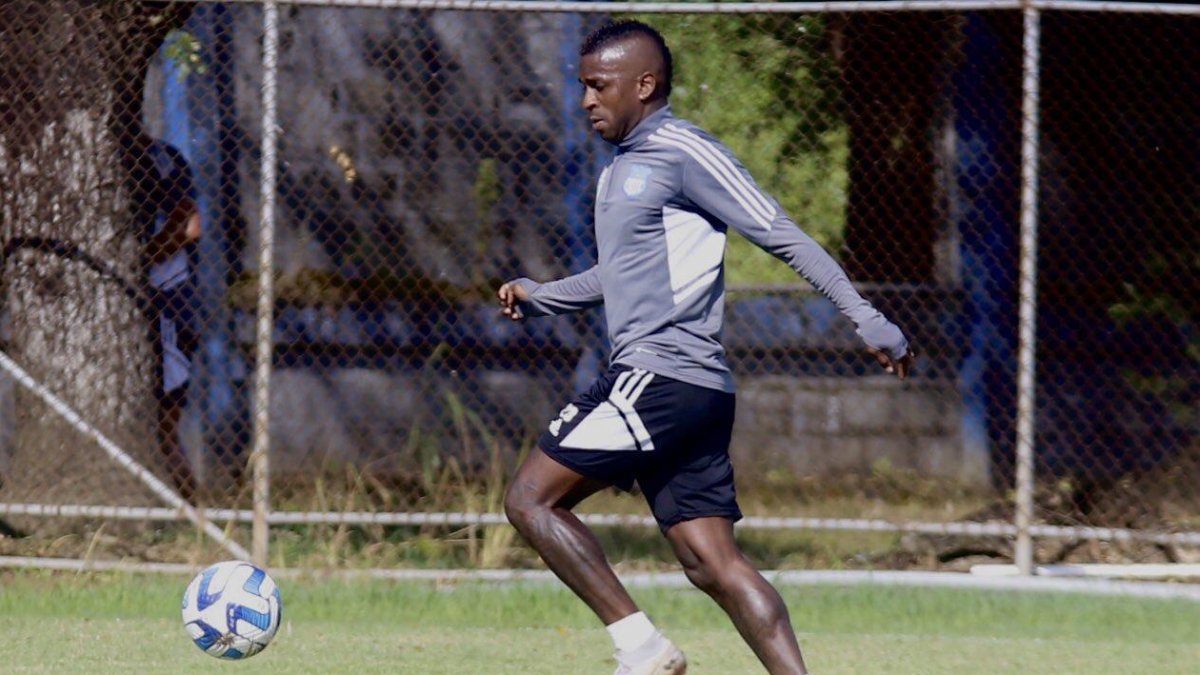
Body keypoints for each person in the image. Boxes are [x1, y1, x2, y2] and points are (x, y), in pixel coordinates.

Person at [497, 21, 914, 675]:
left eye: (598, 86)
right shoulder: (621, 170)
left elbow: (781, 231)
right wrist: (541, 293)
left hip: (660, 379)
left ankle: (642, 647)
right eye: (582, 87)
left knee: (530, 498)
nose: (586, 101)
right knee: (712, 564)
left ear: (645, 83)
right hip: (688, 392)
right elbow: (623, 275)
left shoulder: (686, 149)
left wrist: (862, 313)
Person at [141, 137, 202, 503]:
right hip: (153, 304)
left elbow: (189, 224)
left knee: (164, 430)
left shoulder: (160, 157)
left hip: (168, 306)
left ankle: (194, 520)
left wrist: (141, 259)